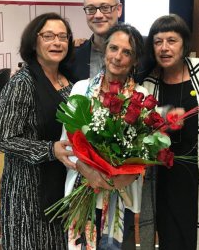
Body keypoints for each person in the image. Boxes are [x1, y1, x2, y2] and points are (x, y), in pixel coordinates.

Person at [0, 12, 76, 249]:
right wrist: (51, 150)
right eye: (48, 36)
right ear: (34, 41)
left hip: (60, 183)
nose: (57, 42)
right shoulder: (22, 83)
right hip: (27, 191)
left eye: (63, 36)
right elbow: (4, 139)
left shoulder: (69, 80)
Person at [62, 23, 147, 250]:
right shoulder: (81, 90)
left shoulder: (142, 96)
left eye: (127, 52)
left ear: (135, 60)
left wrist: (128, 175)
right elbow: (67, 145)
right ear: (105, 50)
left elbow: (145, 152)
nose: (117, 57)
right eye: (113, 48)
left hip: (122, 193)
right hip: (83, 189)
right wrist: (87, 170)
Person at [140, 14, 199, 250]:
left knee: (198, 237)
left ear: (184, 43)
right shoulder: (149, 84)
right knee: (169, 237)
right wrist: (162, 121)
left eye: (171, 40)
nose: (164, 48)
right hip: (164, 178)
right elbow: (142, 136)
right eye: (157, 41)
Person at [68, 0, 151, 84]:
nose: (98, 15)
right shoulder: (73, 55)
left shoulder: (146, 49)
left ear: (119, 9)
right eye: (91, 9)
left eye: (105, 7)